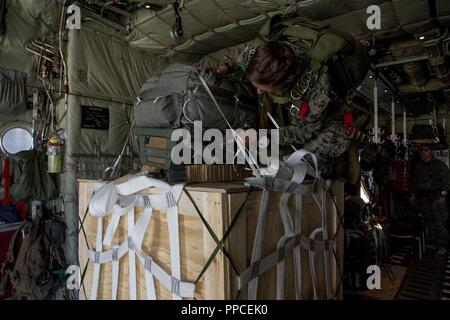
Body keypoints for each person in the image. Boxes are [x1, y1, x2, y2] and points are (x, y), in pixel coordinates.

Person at [218, 16, 369, 177]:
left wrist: (263, 136)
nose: (258, 92)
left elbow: (303, 132)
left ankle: (334, 165)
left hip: (322, 115)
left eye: (264, 88)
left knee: (308, 158)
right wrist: (223, 68)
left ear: (287, 80)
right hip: (294, 99)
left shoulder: (318, 89)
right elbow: (236, 56)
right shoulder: (257, 54)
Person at [410, 144, 450, 256]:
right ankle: (432, 242)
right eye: (421, 150)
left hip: (437, 198)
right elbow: (415, 182)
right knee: (428, 221)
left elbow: (447, 182)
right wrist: (413, 195)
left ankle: (443, 245)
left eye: (426, 150)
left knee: (440, 222)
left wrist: (443, 196)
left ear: (431, 152)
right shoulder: (418, 167)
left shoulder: (440, 166)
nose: (423, 152)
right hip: (424, 199)